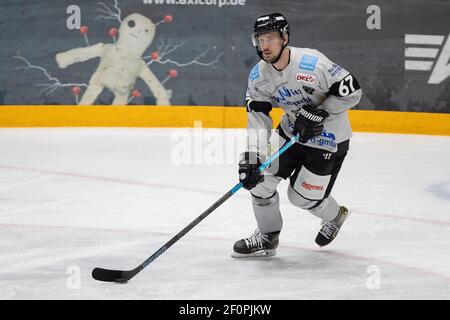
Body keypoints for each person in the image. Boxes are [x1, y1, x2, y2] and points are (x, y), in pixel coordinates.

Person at [232, 13, 362, 258]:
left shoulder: (313, 64)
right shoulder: (258, 76)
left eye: (270, 38)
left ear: (285, 38)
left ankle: (335, 215)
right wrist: (252, 156)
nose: (264, 45)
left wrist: (321, 112)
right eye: (260, 39)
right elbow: (258, 118)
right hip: (290, 133)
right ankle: (267, 236)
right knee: (259, 183)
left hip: (328, 140)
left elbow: (353, 91)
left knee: (300, 197)